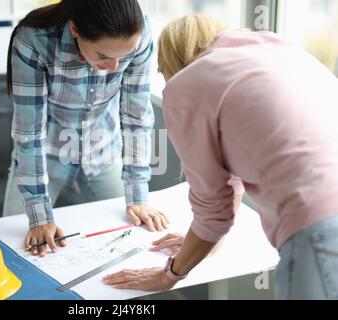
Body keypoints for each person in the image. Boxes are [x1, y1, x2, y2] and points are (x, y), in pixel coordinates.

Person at [103, 14, 338, 299]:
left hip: (319, 223)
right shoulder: (273, 48)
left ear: (171, 63)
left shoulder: (187, 84)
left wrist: (168, 276)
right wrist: (210, 242)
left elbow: (213, 211)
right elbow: (235, 171)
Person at [4, 0, 169, 257]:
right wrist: (38, 215)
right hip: (45, 155)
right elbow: (30, 133)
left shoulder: (140, 33)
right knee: (13, 249)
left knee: (135, 238)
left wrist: (137, 194)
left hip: (103, 150)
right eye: (103, 56)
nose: (115, 67)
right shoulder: (33, 40)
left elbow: (136, 117)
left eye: (123, 57)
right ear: (75, 29)